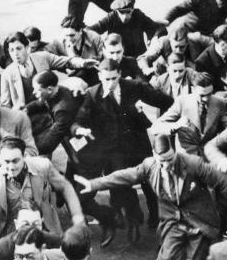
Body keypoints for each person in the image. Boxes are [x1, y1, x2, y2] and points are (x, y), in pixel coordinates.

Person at [81, 134, 227, 260]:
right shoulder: (149, 165)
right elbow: (125, 176)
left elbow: (222, 181)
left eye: (170, 159)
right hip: (172, 223)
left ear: (174, 151)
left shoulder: (193, 163)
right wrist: (94, 184)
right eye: (162, 161)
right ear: (154, 155)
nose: (167, 165)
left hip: (199, 222)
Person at [71, 58, 173, 241]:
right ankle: (133, 220)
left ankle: (156, 214)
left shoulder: (134, 86)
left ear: (119, 74)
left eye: (113, 78)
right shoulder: (93, 94)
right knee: (120, 183)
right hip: (114, 149)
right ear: (100, 76)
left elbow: (164, 100)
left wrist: (163, 124)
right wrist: (79, 129)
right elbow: (79, 119)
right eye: (106, 79)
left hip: (137, 144)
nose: (110, 83)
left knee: (149, 181)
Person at [0, 136, 84, 240]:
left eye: (15, 161)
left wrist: (77, 215)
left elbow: (66, 187)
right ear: (0, 159)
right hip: (8, 232)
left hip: (41, 227)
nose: (11, 167)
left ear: (24, 156)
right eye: (6, 161)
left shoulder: (42, 166)